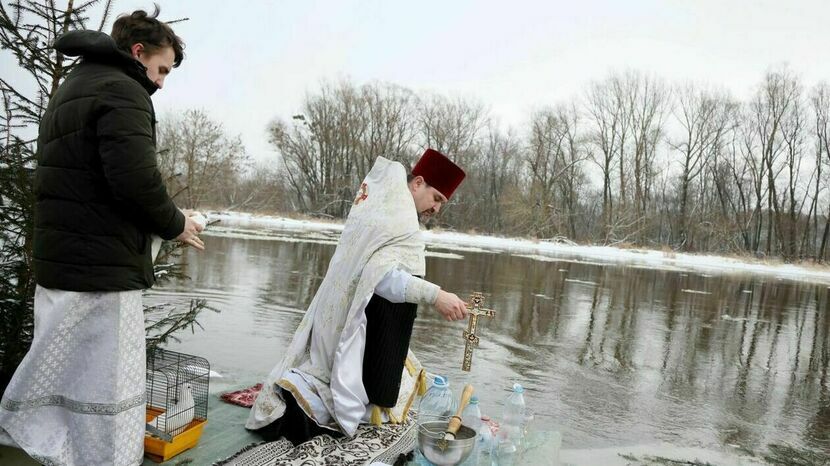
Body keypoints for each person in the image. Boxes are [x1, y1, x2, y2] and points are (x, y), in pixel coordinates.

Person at [0, 7, 203, 466]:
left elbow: (87, 178)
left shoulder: (74, 86)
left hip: (63, 263)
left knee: (58, 375)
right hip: (101, 274)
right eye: (162, 69)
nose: (162, 82)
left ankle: (49, 451)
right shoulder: (123, 90)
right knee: (106, 383)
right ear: (138, 52)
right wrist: (176, 224)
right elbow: (134, 182)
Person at [246, 149, 469, 445]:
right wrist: (436, 295)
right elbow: (380, 279)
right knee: (340, 384)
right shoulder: (398, 217)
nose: (437, 208)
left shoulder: (383, 204)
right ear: (418, 183)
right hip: (349, 318)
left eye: (442, 203)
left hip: (339, 311)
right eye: (437, 197)